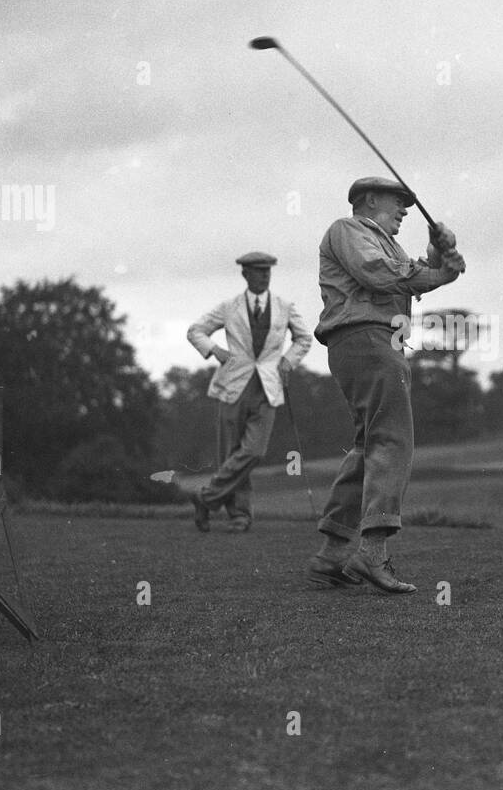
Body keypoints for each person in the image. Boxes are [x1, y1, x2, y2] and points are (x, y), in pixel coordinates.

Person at [306, 176, 465, 593]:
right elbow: (379, 275)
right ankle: (371, 553)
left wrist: (437, 254)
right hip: (368, 340)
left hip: (372, 342)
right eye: (398, 203)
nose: (405, 211)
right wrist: (440, 274)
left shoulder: (386, 245)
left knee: (369, 445)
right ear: (370, 200)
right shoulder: (349, 230)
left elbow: (405, 273)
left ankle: (332, 554)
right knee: (393, 441)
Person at [186, 251, 312, 533]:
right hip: (232, 386)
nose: (264, 275)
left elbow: (304, 338)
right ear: (245, 274)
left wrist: (288, 361)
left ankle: (205, 498)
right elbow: (196, 330)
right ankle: (239, 516)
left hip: (268, 387)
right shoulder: (230, 307)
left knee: (254, 451)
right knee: (231, 452)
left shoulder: (284, 306)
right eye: (258, 270)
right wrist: (214, 350)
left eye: (267, 270)